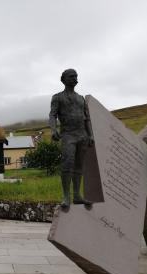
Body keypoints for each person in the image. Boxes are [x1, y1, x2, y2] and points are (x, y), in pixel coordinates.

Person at [49, 69, 94, 209]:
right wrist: (53, 129)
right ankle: (66, 196)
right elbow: (52, 115)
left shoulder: (81, 98)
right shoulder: (57, 97)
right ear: (63, 79)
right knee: (67, 165)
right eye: (71, 76)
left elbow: (87, 119)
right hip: (68, 135)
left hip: (82, 135)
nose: (74, 78)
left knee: (79, 166)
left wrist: (91, 134)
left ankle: (77, 195)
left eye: (76, 76)